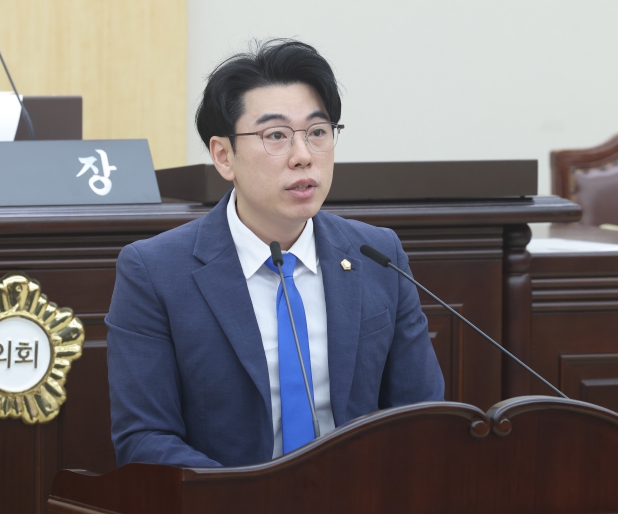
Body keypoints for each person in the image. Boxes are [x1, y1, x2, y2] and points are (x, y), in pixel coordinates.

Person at [105, 39, 445, 468]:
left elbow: (422, 416)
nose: (303, 157)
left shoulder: (378, 255)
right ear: (224, 156)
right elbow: (144, 438)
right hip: (226, 498)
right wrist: (252, 496)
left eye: (317, 133)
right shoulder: (155, 272)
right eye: (276, 136)